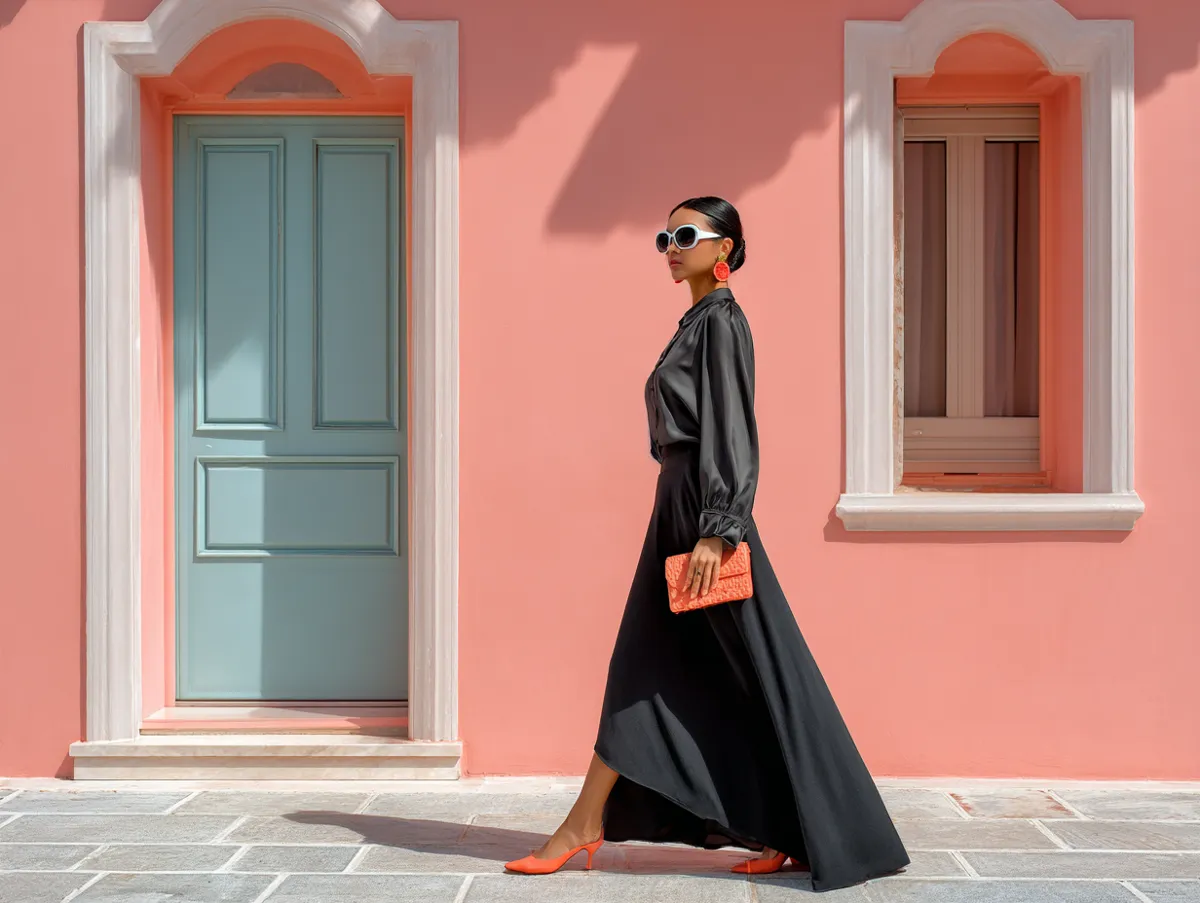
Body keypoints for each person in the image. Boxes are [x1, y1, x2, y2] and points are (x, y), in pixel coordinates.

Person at [504, 197, 911, 891]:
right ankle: (780, 829)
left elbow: (731, 426)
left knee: (751, 666)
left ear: (725, 247)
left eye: (685, 234)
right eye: (664, 234)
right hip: (680, 501)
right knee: (713, 668)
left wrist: (719, 526)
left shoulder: (722, 321)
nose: (670, 244)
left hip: (701, 507)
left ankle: (586, 823)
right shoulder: (695, 321)